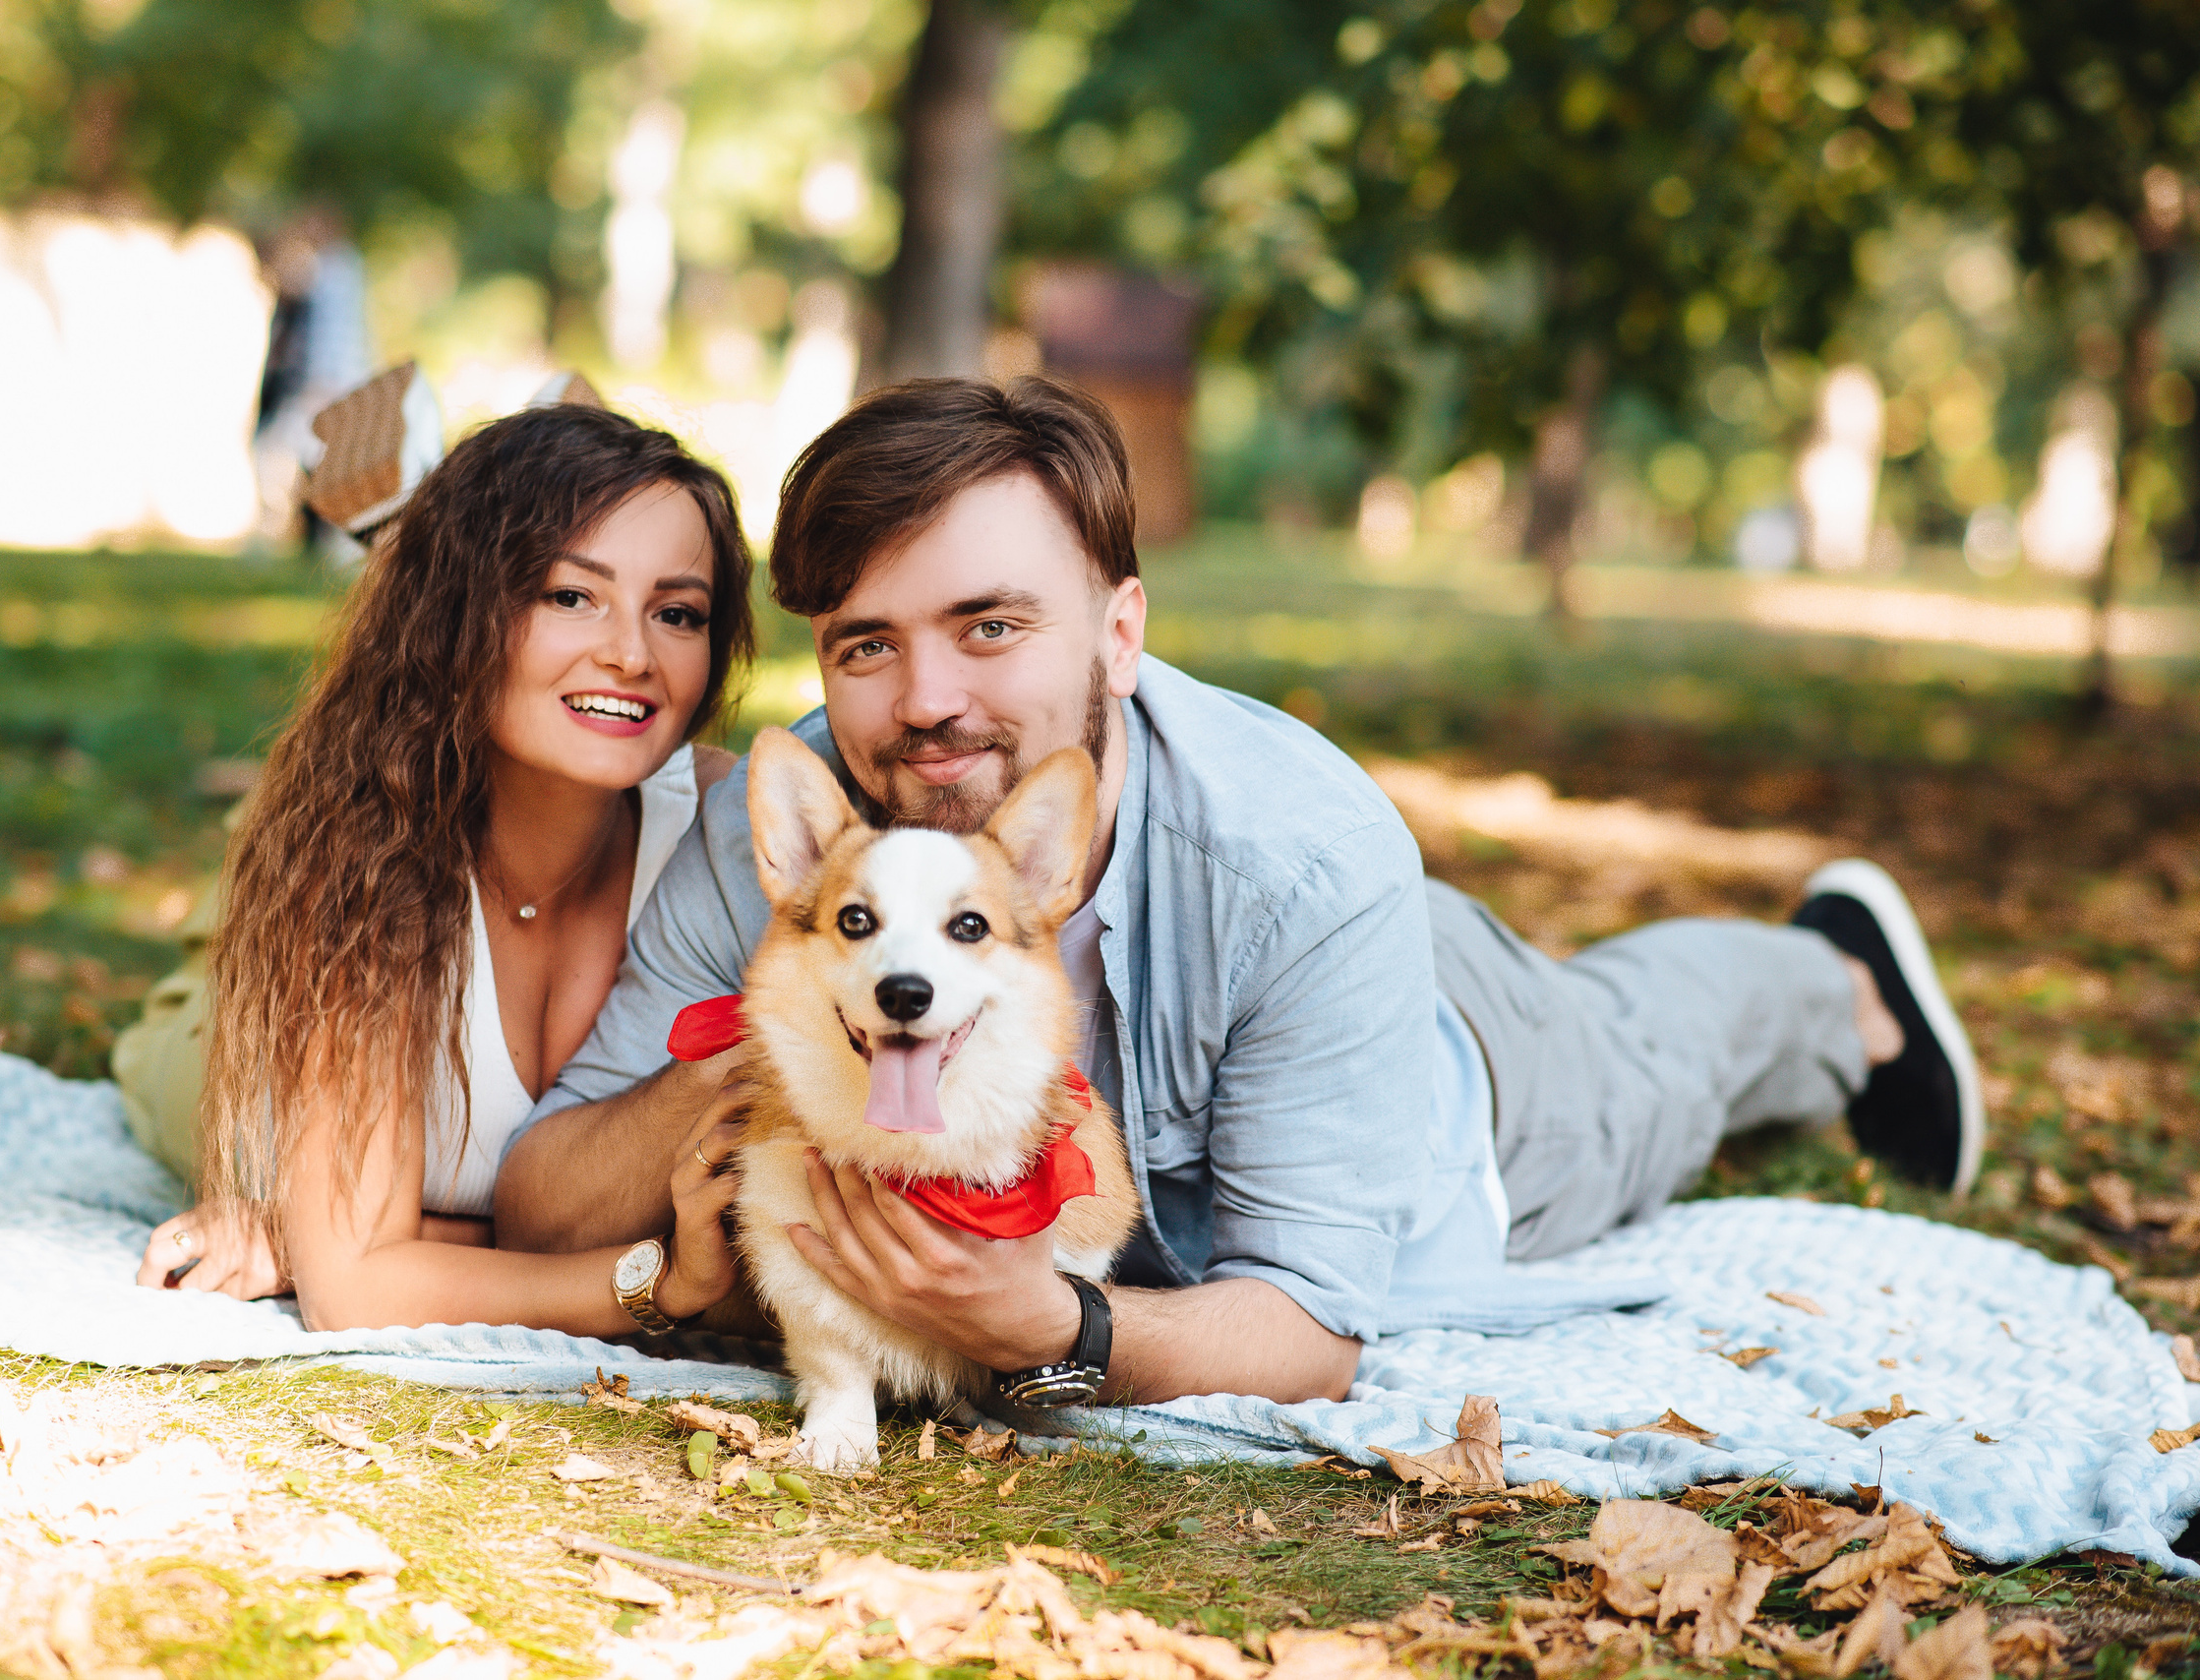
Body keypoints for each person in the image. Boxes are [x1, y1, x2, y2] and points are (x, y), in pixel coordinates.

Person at [497, 376, 1980, 1409]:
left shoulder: (1305, 859)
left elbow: (1315, 1331)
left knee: (1648, 1053)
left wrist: (1056, 1333)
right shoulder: (810, 846)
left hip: (1475, 1094)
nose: (925, 703)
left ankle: (1843, 981)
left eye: (991, 625)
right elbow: (544, 1190)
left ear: (1120, 631)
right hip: (1307, 967)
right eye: (868, 644)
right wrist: (800, 1031)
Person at [117, 400, 757, 1336]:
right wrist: (656, 1282)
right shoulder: (362, 859)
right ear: (461, 614)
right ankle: (414, 531)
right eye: (567, 594)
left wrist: (412, 1235)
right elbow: (360, 1287)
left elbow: (376, 1252)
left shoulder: (725, 830)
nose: (632, 654)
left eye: (677, 612)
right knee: (218, 978)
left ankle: (446, 504)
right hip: (210, 1037)